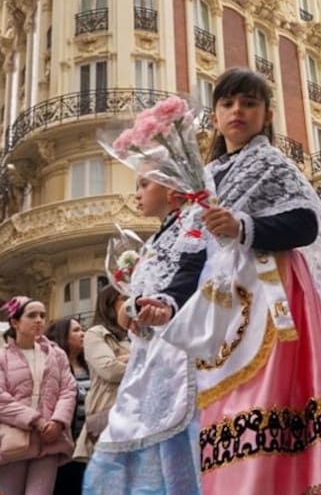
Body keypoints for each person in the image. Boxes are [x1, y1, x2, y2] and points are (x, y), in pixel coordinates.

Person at [193, 68, 321, 493]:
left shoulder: (273, 163)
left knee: (265, 405)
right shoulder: (204, 177)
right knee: (221, 413)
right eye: (227, 103)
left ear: (266, 115)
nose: (237, 110)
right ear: (216, 114)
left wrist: (242, 225)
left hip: (270, 294)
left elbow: (305, 225)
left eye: (248, 103)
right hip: (219, 304)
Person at [83, 102, 211, 495]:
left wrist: (160, 306)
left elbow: (192, 277)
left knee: (180, 459)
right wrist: (131, 310)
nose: (136, 194)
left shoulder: (194, 221)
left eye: (143, 183)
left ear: (171, 187)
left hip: (181, 360)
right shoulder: (158, 238)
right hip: (150, 361)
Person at [0, 296, 77, 495]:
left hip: (49, 440)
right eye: (32, 315)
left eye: (42, 315)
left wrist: (58, 421)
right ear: (14, 322)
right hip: (13, 440)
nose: (39, 320)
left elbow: (68, 389)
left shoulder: (56, 354)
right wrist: (37, 421)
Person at [74, 285, 131, 462]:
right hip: (109, 412)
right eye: (124, 298)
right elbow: (110, 370)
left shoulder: (139, 332)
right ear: (109, 304)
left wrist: (126, 358)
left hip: (140, 413)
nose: (131, 302)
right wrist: (141, 359)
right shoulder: (96, 333)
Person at [45, 317, 89, 494]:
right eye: (76, 330)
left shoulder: (89, 365)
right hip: (65, 449)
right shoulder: (53, 367)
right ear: (63, 336)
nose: (82, 334)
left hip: (90, 445)